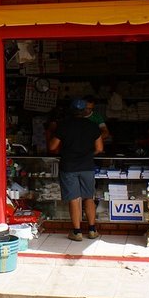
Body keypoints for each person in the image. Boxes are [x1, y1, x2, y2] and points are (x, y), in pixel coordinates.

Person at [48, 98, 104, 241]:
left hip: (69, 167)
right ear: (85, 110)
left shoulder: (64, 126)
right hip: (87, 166)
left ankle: (77, 232)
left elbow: (52, 147)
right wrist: (87, 154)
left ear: (71, 111)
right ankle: (92, 230)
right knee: (89, 197)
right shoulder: (92, 126)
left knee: (73, 199)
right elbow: (100, 148)